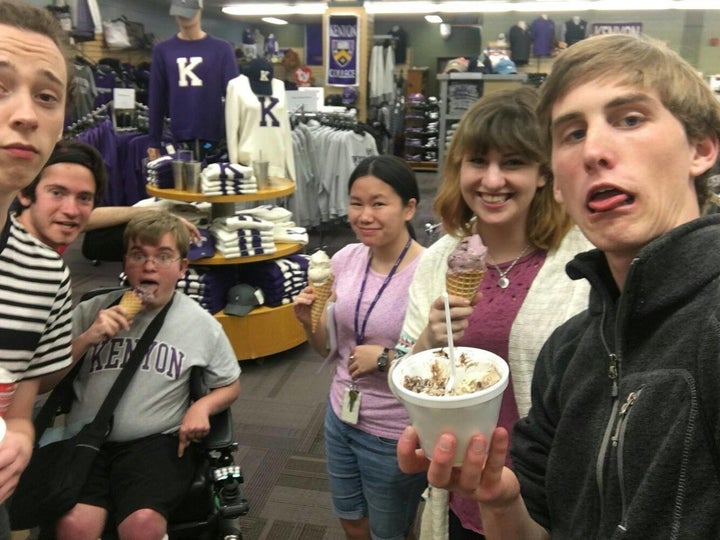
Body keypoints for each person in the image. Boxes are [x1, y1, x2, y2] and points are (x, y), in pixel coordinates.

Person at [398, 33, 720, 538]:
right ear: (562, 177)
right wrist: (502, 500)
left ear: (701, 148)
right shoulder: (571, 351)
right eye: (571, 133)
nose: (593, 149)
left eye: (630, 119)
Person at [395, 87, 591, 539]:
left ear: (544, 173)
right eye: (478, 161)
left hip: (550, 495)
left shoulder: (583, 259)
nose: (492, 179)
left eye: (514, 163)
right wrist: (428, 339)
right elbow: (406, 372)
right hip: (463, 485)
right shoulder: (437, 261)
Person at [49, 209, 241, 540]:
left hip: (155, 446)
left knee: (142, 525)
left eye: (163, 257)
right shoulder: (92, 311)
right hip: (86, 440)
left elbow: (230, 384)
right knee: (74, 526)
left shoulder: (200, 324)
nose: (149, 266)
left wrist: (202, 407)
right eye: (139, 255)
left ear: (182, 268)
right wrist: (86, 339)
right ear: (126, 263)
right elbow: (45, 381)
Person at [293, 155, 427, 540]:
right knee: (351, 520)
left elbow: (442, 363)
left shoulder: (428, 271)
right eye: (356, 203)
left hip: (394, 430)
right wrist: (309, 323)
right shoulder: (345, 259)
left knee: (390, 532)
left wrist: (385, 359)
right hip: (341, 414)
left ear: (409, 208)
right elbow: (328, 350)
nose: (364, 215)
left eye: (378, 203)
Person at [0, 2, 72, 535]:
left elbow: (20, 408)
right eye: (1, 86)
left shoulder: (44, 272)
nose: (26, 114)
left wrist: (20, 435)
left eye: (46, 97)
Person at [147, 0, 239, 162]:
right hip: (178, 137)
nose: (184, 17)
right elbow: (156, 98)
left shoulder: (221, 49)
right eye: (180, 12)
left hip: (214, 139)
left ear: (200, 9)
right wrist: (154, 140)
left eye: (189, 11)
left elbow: (235, 98)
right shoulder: (163, 50)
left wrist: (238, 136)